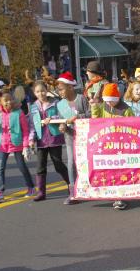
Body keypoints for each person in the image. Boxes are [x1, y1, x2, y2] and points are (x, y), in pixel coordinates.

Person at [91, 83, 134, 210]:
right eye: (107, 101)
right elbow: (96, 121)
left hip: (122, 145)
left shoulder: (126, 109)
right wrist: (94, 107)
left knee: (122, 170)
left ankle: (122, 197)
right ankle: (116, 196)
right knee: (111, 171)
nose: (109, 104)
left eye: (111, 101)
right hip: (108, 144)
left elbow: (133, 124)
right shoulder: (104, 107)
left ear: (117, 98)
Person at [0, 92, 35, 203]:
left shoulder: (19, 112)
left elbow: (25, 130)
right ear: (1, 102)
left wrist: (25, 146)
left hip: (17, 143)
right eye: (6, 100)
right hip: (3, 144)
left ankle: (31, 187)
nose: (8, 102)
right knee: (0, 168)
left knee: (21, 167)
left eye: (10, 99)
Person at [28, 81, 69, 202]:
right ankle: (41, 192)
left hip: (54, 138)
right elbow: (32, 125)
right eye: (37, 91)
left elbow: (64, 116)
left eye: (42, 90)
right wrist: (31, 139)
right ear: (34, 93)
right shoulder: (33, 107)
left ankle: (71, 185)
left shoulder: (56, 103)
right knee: (40, 167)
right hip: (41, 141)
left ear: (47, 90)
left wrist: (51, 119)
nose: (40, 93)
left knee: (58, 165)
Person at [56, 72, 90, 204]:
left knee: (85, 162)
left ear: (70, 87)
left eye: (61, 89)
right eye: (58, 90)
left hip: (84, 136)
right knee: (71, 163)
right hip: (70, 136)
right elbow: (61, 120)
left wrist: (78, 117)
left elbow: (90, 114)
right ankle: (73, 192)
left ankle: (88, 188)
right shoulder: (60, 105)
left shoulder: (81, 99)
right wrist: (62, 127)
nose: (59, 92)